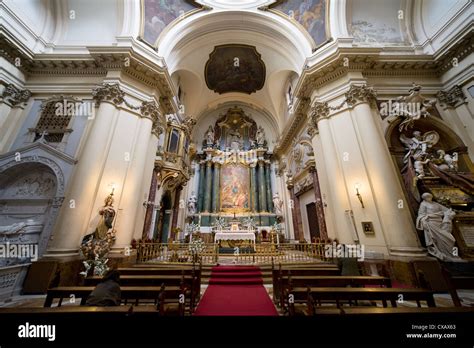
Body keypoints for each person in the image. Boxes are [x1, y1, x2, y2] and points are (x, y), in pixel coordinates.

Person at [416, 192, 460, 261]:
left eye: (429, 196)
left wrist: (451, 213)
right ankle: (440, 252)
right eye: (426, 197)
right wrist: (423, 221)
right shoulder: (423, 204)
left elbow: (447, 210)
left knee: (448, 238)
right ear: (424, 198)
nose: (428, 198)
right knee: (436, 239)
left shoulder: (436, 204)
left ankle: (448, 253)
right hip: (430, 223)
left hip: (440, 223)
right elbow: (421, 215)